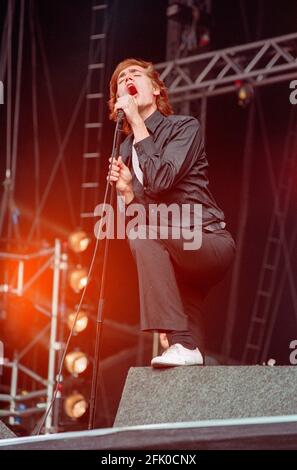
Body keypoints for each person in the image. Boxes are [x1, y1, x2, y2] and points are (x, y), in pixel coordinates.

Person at [107, 58, 235, 367]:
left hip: (205, 239)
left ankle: (174, 329)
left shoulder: (184, 128)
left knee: (143, 234)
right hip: (176, 260)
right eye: (120, 79)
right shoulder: (125, 149)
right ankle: (184, 345)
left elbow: (161, 179)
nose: (127, 79)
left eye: (134, 75)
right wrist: (126, 194)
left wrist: (137, 123)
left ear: (155, 89)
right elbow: (141, 219)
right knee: (186, 360)